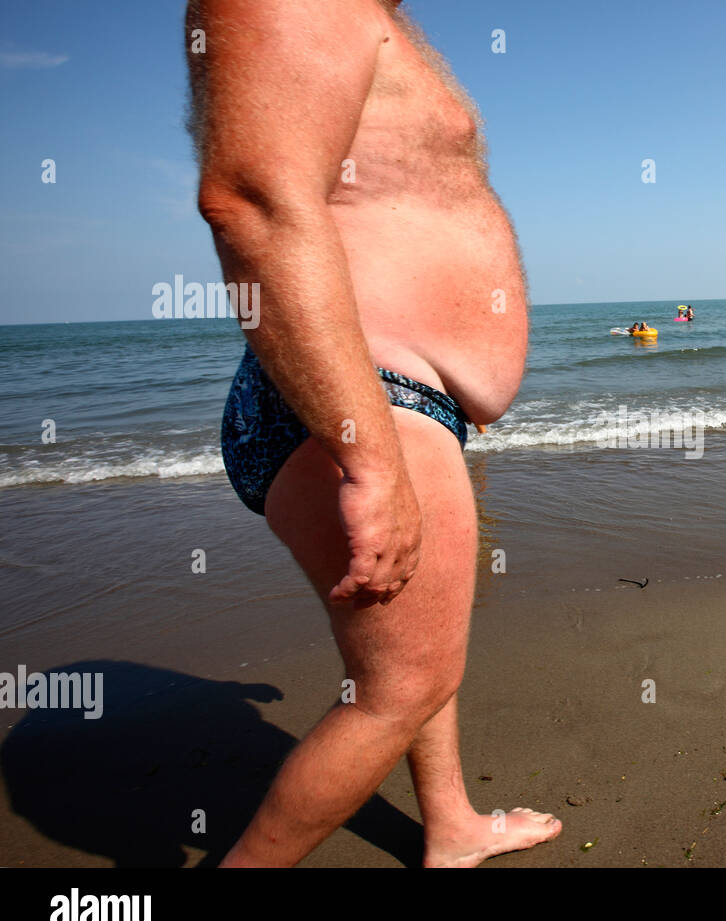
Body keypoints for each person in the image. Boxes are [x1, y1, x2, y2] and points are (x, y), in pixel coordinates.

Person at [189, 0, 561, 866]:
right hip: (361, 398)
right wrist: (367, 452)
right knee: (403, 685)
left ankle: (452, 826)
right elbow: (250, 200)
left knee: (424, 651)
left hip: (389, 397)